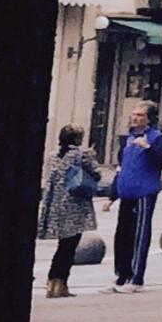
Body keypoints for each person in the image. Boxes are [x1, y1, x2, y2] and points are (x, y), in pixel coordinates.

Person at [108, 100, 162, 290]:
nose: (135, 118)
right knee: (122, 235)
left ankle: (136, 278)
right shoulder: (127, 139)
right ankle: (121, 274)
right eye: (133, 114)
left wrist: (148, 148)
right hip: (127, 191)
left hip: (144, 192)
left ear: (149, 119)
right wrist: (112, 195)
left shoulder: (156, 137)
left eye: (140, 115)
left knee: (140, 234)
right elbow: (121, 166)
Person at [36, 126, 102, 298]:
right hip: (74, 207)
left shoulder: (52, 156)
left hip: (56, 207)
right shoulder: (81, 155)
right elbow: (97, 174)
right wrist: (93, 157)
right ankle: (61, 283)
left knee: (61, 246)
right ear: (78, 139)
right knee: (69, 248)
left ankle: (52, 283)